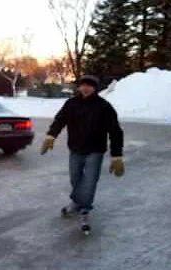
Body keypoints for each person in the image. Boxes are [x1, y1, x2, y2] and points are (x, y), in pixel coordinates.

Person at [40, 75, 125, 235]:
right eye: (83, 85)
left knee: (90, 181)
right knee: (75, 179)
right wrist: (51, 136)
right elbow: (60, 120)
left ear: (95, 88)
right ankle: (77, 202)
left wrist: (117, 155)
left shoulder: (104, 106)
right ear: (79, 87)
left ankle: (84, 209)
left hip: (95, 150)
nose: (86, 88)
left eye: (90, 86)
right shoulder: (71, 104)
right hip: (75, 149)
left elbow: (115, 131)